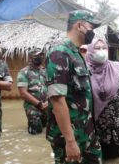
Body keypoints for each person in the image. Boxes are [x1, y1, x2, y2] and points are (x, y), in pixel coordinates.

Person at [45, 10, 102, 164]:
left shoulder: (76, 54)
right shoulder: (59, 53)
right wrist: (70, 141)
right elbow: (57, 101)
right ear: (80, 25)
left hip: (87, 131)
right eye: (91, 27)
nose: (93, 32)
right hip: (70, 136)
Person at [17, 48, 48, 135]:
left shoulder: (46, 71)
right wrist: (39, 104)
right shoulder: (24, 72)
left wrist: (48, 102)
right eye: (37, 56)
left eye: (41, 55)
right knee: (35, 131)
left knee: (47, 130)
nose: (40, 57)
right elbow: (23, 93)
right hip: (32, 107)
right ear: (30, 58)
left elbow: (51, 87)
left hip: (47, 106)